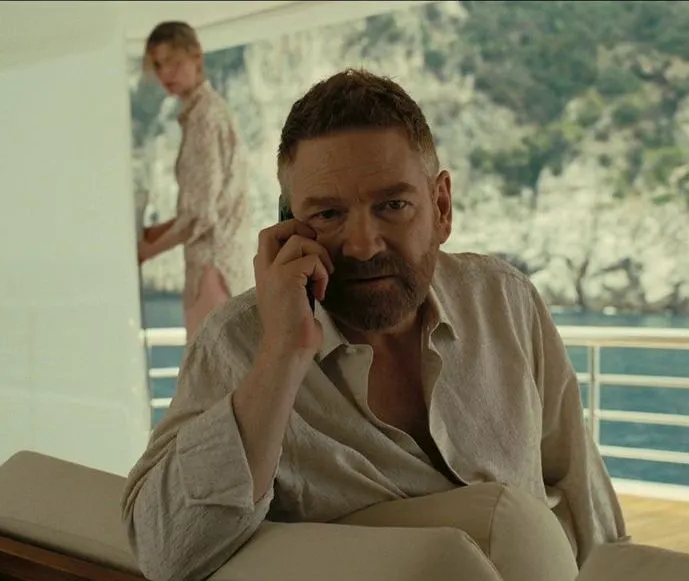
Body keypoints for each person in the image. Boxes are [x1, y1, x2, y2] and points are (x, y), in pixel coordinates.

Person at [121, 68, 628, 581]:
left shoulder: (505, 303)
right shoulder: (238, 344)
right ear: (288, 226)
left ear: (442, 207)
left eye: (393, 206)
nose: (363, 245)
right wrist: (282, 357)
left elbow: (586, 506)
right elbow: (163, 549)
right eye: (327, 215)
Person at [136, 21, 252, 341]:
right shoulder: (209, 112)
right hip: (223, 267)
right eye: (158, 65)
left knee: (212, 365)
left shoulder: (204, 118)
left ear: (196, 57)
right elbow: (200, 207)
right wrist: (152, 235)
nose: (165, 73)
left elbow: (200, 216)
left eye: (173, 62)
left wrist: (146, 250)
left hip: (212, 268)